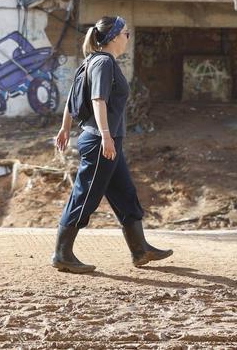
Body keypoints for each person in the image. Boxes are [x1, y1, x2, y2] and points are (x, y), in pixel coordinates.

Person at [52, 16, 172, 273]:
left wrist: (65, 128)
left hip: (107, 141)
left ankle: (140, 250)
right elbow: (98, 100)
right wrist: (105, 135)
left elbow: (72, 97)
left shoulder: (92, 61)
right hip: (100, 141)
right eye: (126, 33)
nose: (128, 37)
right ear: (115, 37)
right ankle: (62, 254)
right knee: (85, 195)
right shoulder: (103, 63)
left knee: (125, 193)